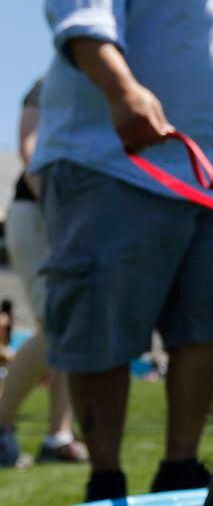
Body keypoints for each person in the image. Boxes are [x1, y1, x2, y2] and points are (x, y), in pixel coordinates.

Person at [32, 0, 213, 500]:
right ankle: (105, 478)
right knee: (100, 325)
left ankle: (179, 468)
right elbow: (83, 12)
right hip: (111, 156)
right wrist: (120, 89)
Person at [0, 80, 88, 468]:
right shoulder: (47, 85)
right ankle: (1, 425)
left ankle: (58, 435)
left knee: (69, 330)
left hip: (78, 221)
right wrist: (58, 213)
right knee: (57, 326)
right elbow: (30, 151)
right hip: (38, 214)